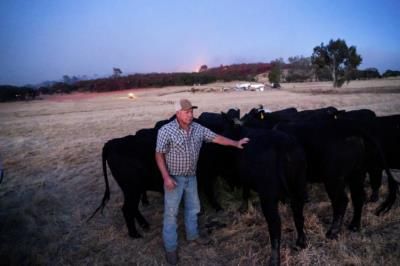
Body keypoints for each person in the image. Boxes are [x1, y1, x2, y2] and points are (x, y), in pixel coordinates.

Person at [155, 98, 249, 265]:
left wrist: (235, 143)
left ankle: (193, 236)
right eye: (186, 112)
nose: (190, 115)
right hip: (174, 178)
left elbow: (216, 138)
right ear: (178, 113)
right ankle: (171, 248)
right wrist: (166, 177)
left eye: (191, 112)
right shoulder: (166, 130)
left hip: (191, 177)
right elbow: (159, 154)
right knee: (171, 214)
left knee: (193, 208)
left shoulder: (198, 128)